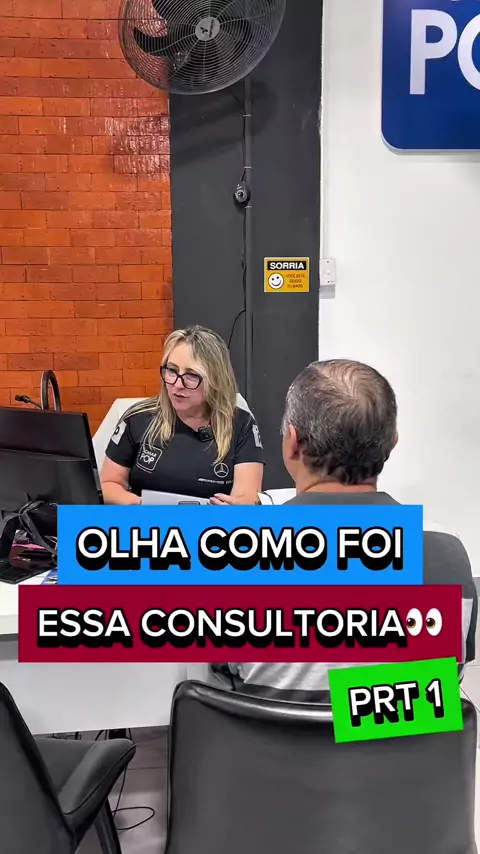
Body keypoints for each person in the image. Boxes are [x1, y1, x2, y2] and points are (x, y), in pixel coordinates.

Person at [222, 359, 477, 697]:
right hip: (400, 732)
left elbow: (221, 680)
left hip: (267, 733)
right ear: (392, 443)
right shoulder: (446, 550)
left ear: (292, 443)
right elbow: (442, 687)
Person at [100, 326, 265, 505]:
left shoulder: (242, 424)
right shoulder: (136, 418)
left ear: (216, 379)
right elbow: (108, 484)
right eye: (172, 371)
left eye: (192, 375)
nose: (177, 384)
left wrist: (233, 509)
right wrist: (138, 505)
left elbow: (247, 497)